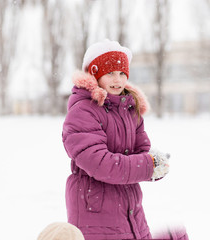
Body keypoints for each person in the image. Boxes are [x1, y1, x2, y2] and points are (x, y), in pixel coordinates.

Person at [62, 40, 170, 240]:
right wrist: (147, 165)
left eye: (122, 73)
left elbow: (142, 151)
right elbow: (99, 163)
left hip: (130, 206)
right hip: (94, 208)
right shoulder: (83, 111)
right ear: (95, 74)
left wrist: (156, 164)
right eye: (109, 73)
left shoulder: (130, 109)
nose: (117, 80)